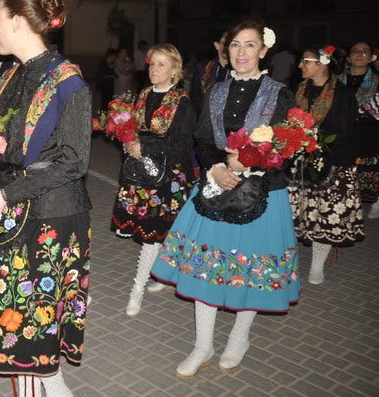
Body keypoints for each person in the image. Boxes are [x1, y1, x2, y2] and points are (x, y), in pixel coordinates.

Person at [0, 0, 91, 396]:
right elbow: (7, 140)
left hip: (48, 216)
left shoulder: (68, 81)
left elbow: (74, 161)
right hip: (10, 213)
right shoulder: (11, 73)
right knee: (23, 323)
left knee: (25, 331)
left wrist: (10, 194)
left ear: (16, 21)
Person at [151, 19, 299, 377]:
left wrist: (251, 163)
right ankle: (203, 344)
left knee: (251, 270)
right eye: (235, 45)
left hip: (262, 191)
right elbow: (202, 139)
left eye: (250, 45)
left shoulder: (280, 93)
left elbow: (286, 148)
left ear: (264, 51)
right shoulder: (215, 91)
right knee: (205, 269)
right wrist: (216, 167)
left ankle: (239, 338)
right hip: (217, 187)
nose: (241, 53)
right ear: (225, 50)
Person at [111, 43, 196, 316]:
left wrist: (145, 147)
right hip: (142, 173)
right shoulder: (145, 94)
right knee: (156, 232)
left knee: (153, 233)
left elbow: (183, 144)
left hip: (167, 177)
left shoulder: (181, 101)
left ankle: (137, 290)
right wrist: (127, 140)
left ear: (174, 70)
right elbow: (133, 129)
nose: (154, 69)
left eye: (161, 64)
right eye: (152, 63)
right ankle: (162, 274)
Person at [290, 46, 362, 284]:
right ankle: (290, 262)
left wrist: (313, 140)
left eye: (305, 61)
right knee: (295, 214)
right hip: (299, 163)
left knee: (325, 216)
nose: (301, 65)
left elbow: (345, 132)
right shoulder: (298, 90)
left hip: (331, 163)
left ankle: (317, 267)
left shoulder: (343, 94)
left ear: (322, 64)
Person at [340, 41, 379, 218]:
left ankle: (375, 201)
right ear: (348, 57)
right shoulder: (337, 80)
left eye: (365, 51)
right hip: (342, 132)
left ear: (371, 57)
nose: (360, 54)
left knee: (368, 170)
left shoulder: (376, 81)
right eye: (355, 51)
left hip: (368, 133)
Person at [189, 31, 230, 115]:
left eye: (230, 43)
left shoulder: (241, 71)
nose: (226, 47)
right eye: (223, 43)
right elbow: (195, 101)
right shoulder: (203, 69)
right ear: (217, 45)